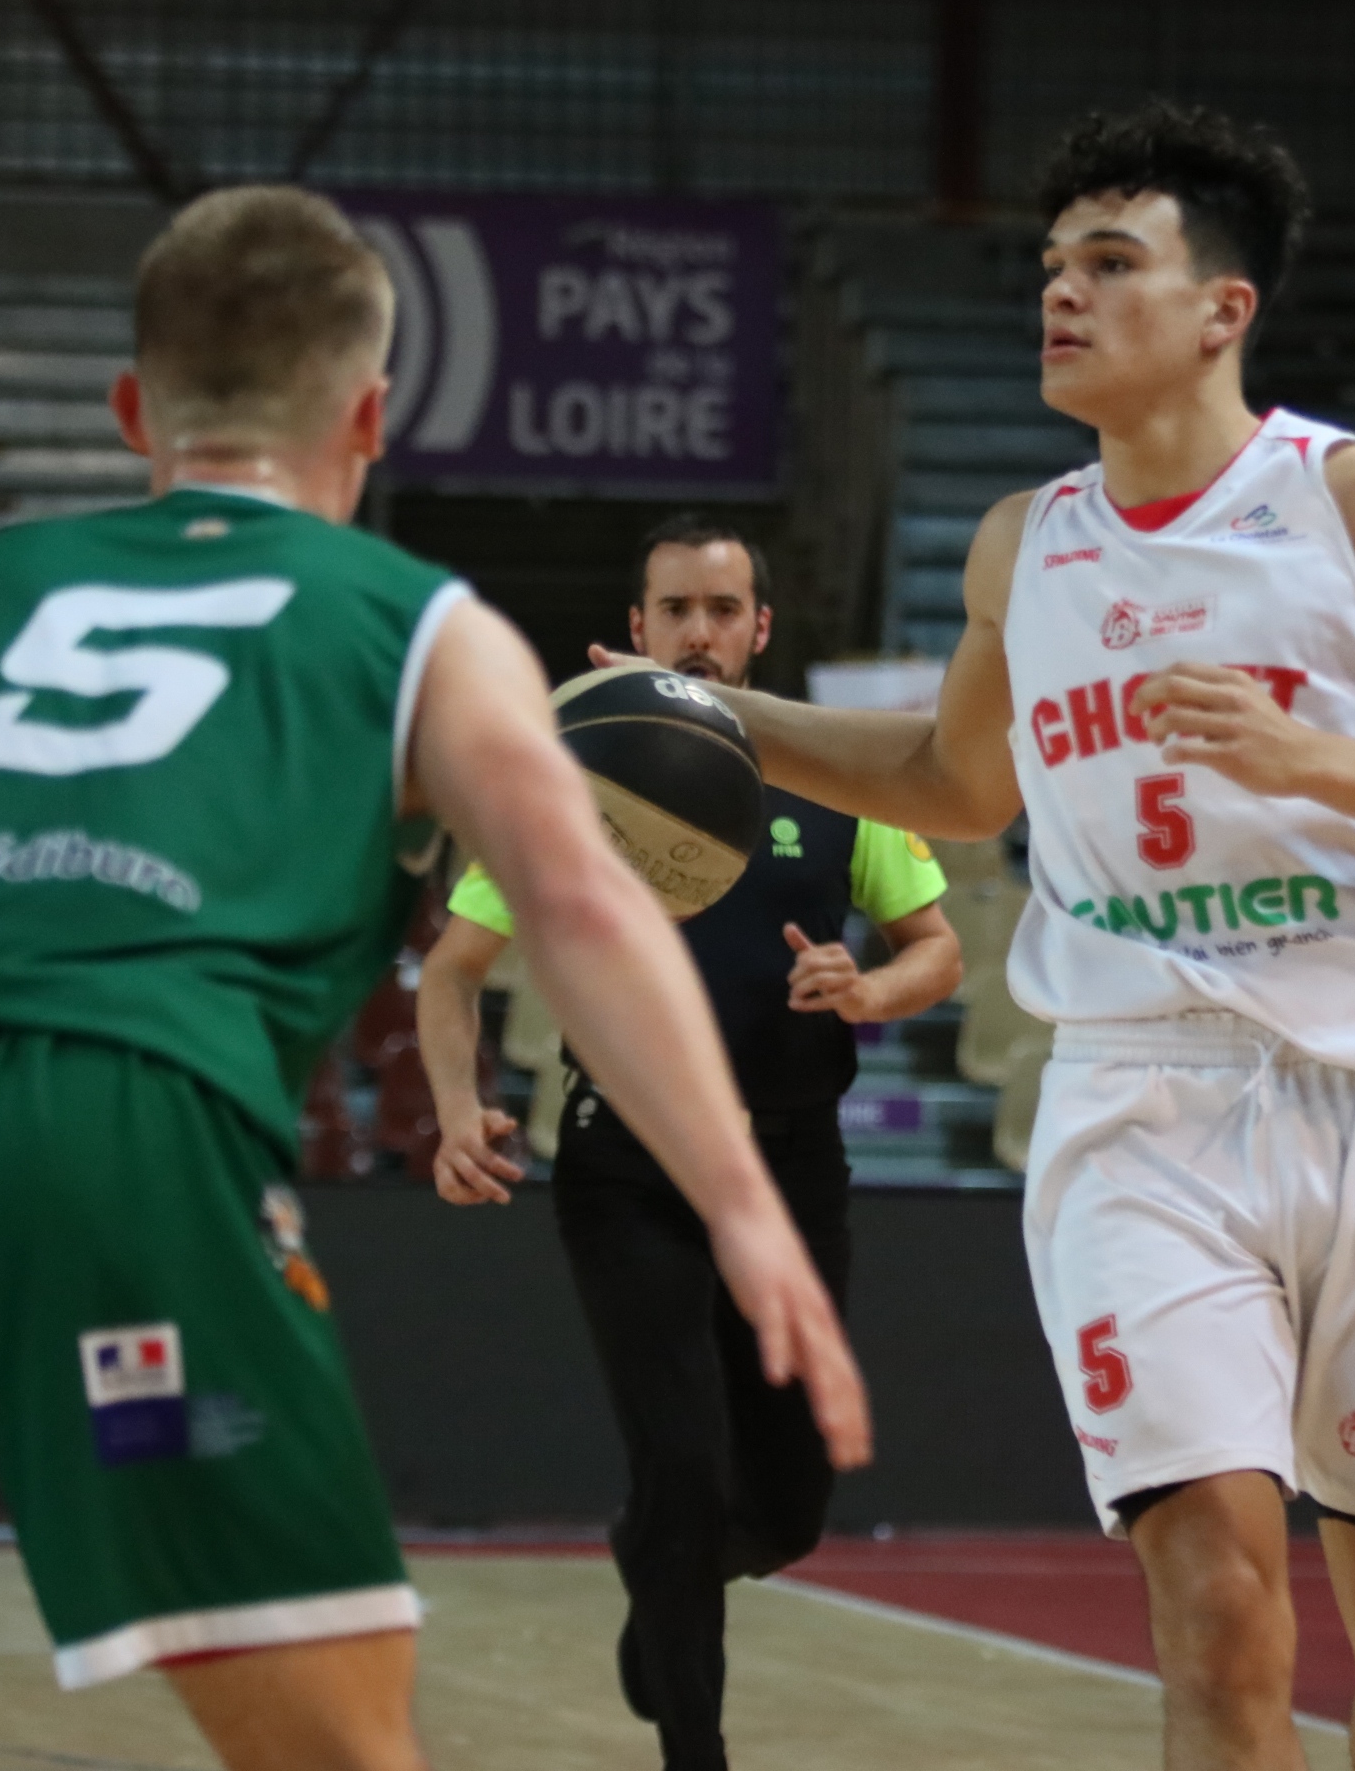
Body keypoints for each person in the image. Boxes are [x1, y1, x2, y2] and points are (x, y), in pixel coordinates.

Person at [0, 187, 864, 1771]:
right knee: (340, 1737)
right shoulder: (417, 625)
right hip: (110, 1118)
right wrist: (748, 1206)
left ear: (132, 410)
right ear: (370, 414)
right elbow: (574, 897)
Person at [678, 102, 1355, 1770]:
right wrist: (705, 714)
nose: (1062, 296)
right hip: (1141, 1108)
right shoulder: (1028, 542)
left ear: (1223, 307)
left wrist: (1305, 755)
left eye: (1111, 263)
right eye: (1051, 267)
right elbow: (955, 781)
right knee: (1223, 1607)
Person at [417, 515, 959, 1771]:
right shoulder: (586, 780)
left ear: (761, 628)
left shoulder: (835, 784)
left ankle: (662, 1583)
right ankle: (694, 1744)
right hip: (628, 1165)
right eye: (677, 610)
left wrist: (869, 985)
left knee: (784, 1507)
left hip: (792, 1161)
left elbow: (938, 948)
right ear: (643, 623)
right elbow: (451, 972)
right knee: (680, 1457)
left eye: (724, 609)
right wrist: (456, 1106)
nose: (700, 631)